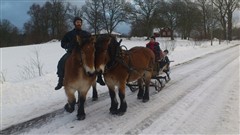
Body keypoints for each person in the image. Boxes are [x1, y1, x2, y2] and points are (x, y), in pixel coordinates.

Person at [55, 17, 105, 90]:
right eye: (77, 22)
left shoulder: (86, 33)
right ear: (74, 23)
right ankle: (60, 80)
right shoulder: (69, 34)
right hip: (72, 52)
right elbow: (63, 44)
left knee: (95, 59)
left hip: (85, 52)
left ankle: (99, 77)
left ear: (81, 24)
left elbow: (92, 42)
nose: (78, 23)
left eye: (80, 22)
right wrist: (69, 45)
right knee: (61, 61)